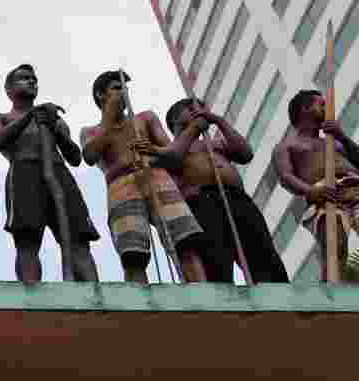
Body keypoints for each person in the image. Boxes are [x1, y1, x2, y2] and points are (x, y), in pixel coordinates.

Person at [80, 70, 208, 283]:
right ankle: (139, 304)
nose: (124, 92)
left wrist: (154, 152)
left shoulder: (145, 118)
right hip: (120, 186)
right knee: (132, 255)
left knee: (184, 242)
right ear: (101, 95)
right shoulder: (90, 131)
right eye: (117, 88)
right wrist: (109, 118)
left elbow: (172, 153)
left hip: (157, 176)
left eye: (125, 88)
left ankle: (199, 291)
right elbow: (90, 155)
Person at [0, 64, 99, 281]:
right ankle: (31, 294)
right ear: (8, 89)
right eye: (24, 78)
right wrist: (31, 116)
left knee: (78, 240)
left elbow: (75, 158)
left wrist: (56, 128)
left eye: (34, 79)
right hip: (24, 174)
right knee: (27, 240)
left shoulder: (53, 118)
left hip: (60, 174)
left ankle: (93, 294)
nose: (31, 82)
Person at [165, 98, 288, 283]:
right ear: (174, 119)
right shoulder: (171, 148)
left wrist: (219, 121)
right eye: (190, 108)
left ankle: (274, 292)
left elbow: (245, 153)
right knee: (216, 255)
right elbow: (173, 159)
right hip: (202, 200)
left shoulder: (215, 144)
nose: (197, 111)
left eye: (200, 108)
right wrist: (195, 128)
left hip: (237, 198)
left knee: (261, 251)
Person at [274, 89, 359, 281]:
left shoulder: (335, 142)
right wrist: (311, 191)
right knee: (334, 244)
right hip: (325, 195)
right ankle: (331, 295)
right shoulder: (287, 146)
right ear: (305, 108)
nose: (327, 109)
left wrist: (342, 136)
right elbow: (286, 177)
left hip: (355, 188)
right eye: (321, 104)